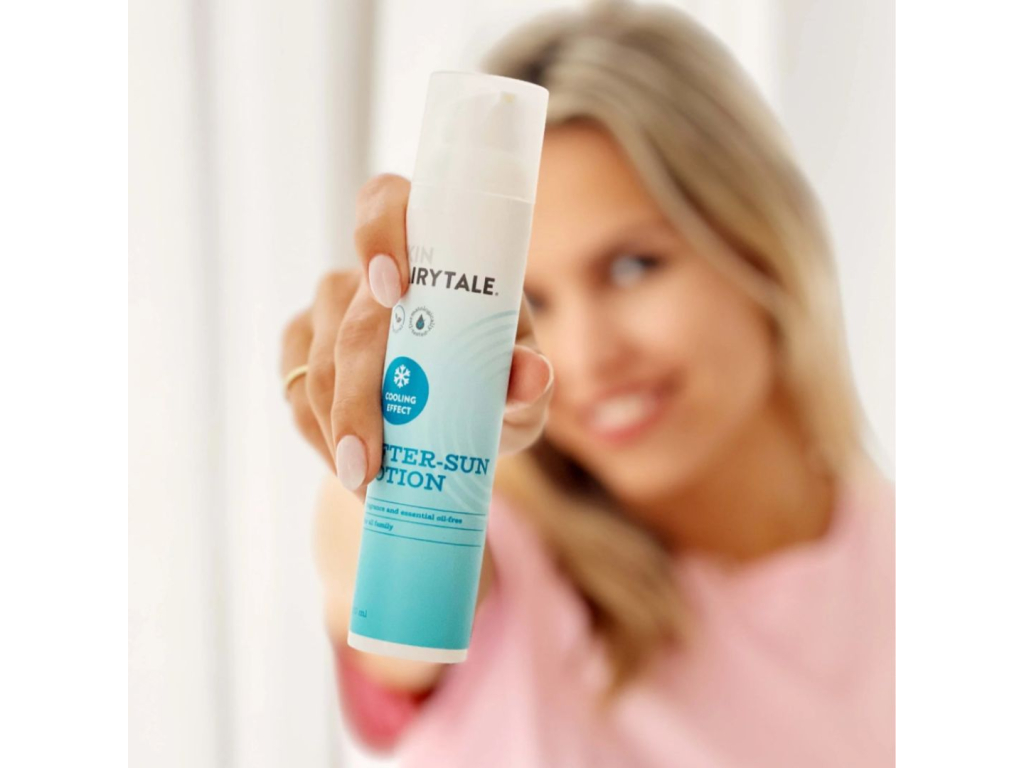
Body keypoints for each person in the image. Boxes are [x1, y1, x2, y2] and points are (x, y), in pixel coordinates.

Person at [279, 2, 894, 765]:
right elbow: (374, 601)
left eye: (633, 266)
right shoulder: (502, 564)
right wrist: (372, 426)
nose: (586, 355)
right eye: (529, 301)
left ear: (762, 242)